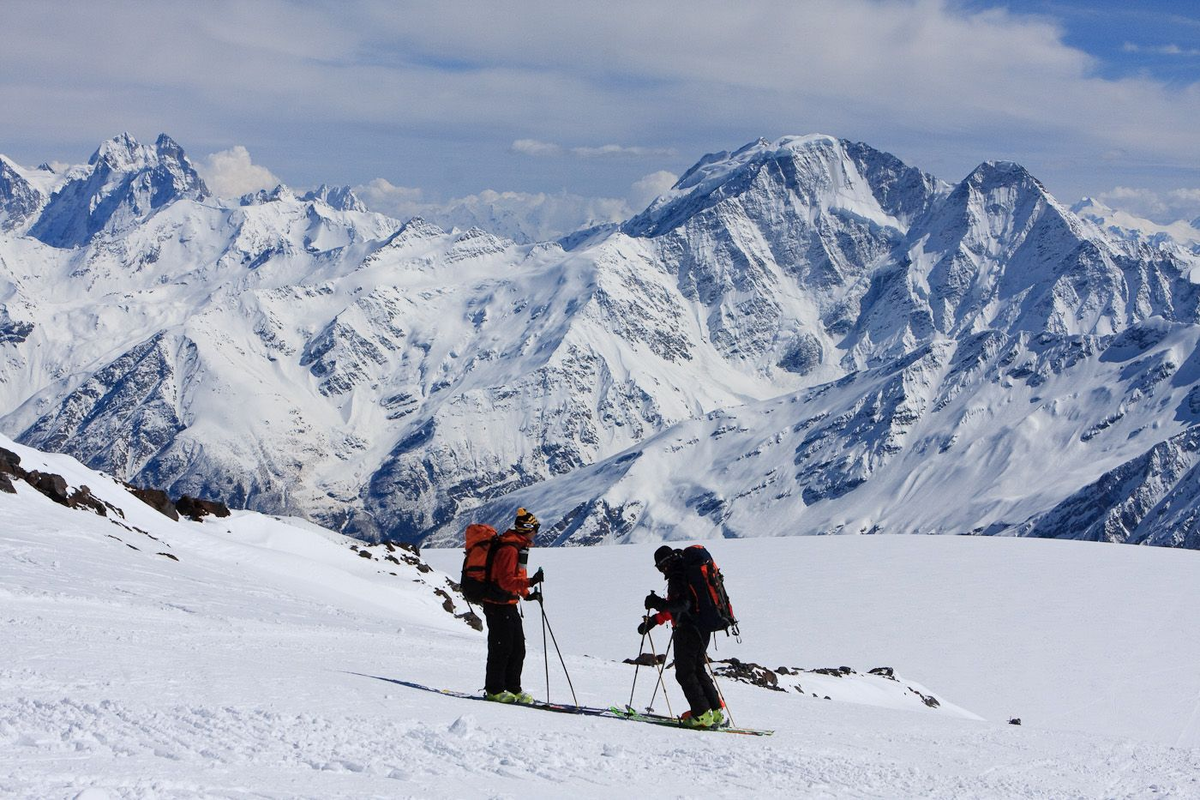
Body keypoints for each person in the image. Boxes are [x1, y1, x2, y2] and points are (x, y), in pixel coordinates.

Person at [639, 545, 725, 728]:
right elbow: (682, 606)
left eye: (660, 567)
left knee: (685, 673)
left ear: (665, 563)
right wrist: (655, 620)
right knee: (698, 669)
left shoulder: (678, 574)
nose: (662, 571)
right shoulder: (687, 570)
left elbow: (682, 605)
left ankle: (701, 715)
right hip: (703, 627)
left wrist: (657, 603)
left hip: (688, 630)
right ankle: (716, 711)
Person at [482, 507, 544, 704]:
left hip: (508, 603)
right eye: (535, 529)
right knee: (501, 648)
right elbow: (505, 581)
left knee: (517, 649)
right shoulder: (509, 549)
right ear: (528, 529)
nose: (536, 533)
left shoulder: (518, 547)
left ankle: (512, 688)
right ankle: (494, 690)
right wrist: (530, 582)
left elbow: (517, 575)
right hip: (497, 605)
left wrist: (527, 594)